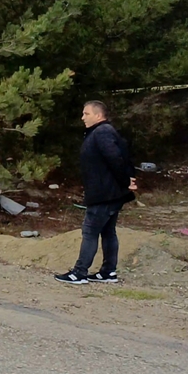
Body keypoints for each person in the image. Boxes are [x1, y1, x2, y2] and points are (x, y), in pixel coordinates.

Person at [56, 101, 136, 285]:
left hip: (104, 193)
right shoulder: (103, 132)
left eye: (86, 113)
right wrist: (128, 179)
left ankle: (79, 272)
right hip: (109, 192)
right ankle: (108, 272)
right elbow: (123, 155)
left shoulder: (102, 132)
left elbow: (116, 157)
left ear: (98, 116)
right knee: (108, 232)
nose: (82, 117)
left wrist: (126, 180)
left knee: (90, 231)